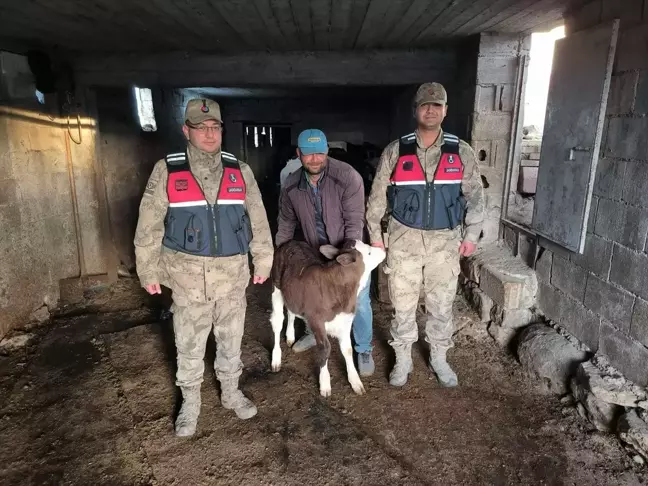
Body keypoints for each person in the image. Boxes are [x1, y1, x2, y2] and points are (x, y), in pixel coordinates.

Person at [134, 98, 273, 436]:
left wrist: (264, 258)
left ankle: (230, 391)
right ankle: (191, 402)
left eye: (215, 128)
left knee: (231, 338)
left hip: (232, 273)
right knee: (189, 342)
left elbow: (257, 217)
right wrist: (148, 270)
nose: (210, 134)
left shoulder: (240, 170)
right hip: (187, 277)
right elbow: (149, 224)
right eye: (201, 128)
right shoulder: (167, 169)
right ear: (187, 130)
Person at [366, 83, 485, 388]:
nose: (430, 110)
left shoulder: (461, 150)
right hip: (404, 238)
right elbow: (377, 197)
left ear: (445, 110)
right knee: (403, 304)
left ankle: (439, 358)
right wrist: (376, 238)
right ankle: (403, 358)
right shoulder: (396, 149)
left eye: (437, 105)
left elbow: (475, 196)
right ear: (415, 110)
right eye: (424, 105)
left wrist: (471, 233)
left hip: (445, 242)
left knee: (442, 304)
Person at [275, 129, 375, 376]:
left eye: (319, 153)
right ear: (299, 154)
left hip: (346, 252)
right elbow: (286, 223)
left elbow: (354, 221)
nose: (315, 159)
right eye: (309, 155)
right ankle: (314, 332)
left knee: (358, 300)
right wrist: (281, 254)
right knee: (315, 297)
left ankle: (363, 348)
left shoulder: (347, 177)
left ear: (326, 152)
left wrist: (345, 257)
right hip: (314, 252)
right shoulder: (291, 185)